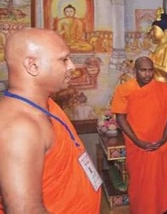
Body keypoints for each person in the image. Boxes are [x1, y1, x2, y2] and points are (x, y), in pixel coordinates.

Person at [0, 28, 101, 213]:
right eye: (64, 59)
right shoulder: (19, 127)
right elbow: (24, 210)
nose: (72, 67)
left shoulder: (44, 102)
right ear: (32, 66)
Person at [111, 56, 167, 214]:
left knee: (162, 180)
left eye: (150, 70)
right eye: (143, 70)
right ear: (135, 71)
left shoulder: (164, 89)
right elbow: (120, 118)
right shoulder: (124, 90)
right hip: (138, 147)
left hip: (160, 146)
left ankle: (163, 209)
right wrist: (137, 141)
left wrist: (163, 139)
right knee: (141, 184)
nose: (147, 74)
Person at [150, 8, 167, 86]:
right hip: (155, 82)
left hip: (164, 84)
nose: (151, 33)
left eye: (154, 30)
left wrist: (151, 64)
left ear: (166, 32)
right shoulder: (159, 47)